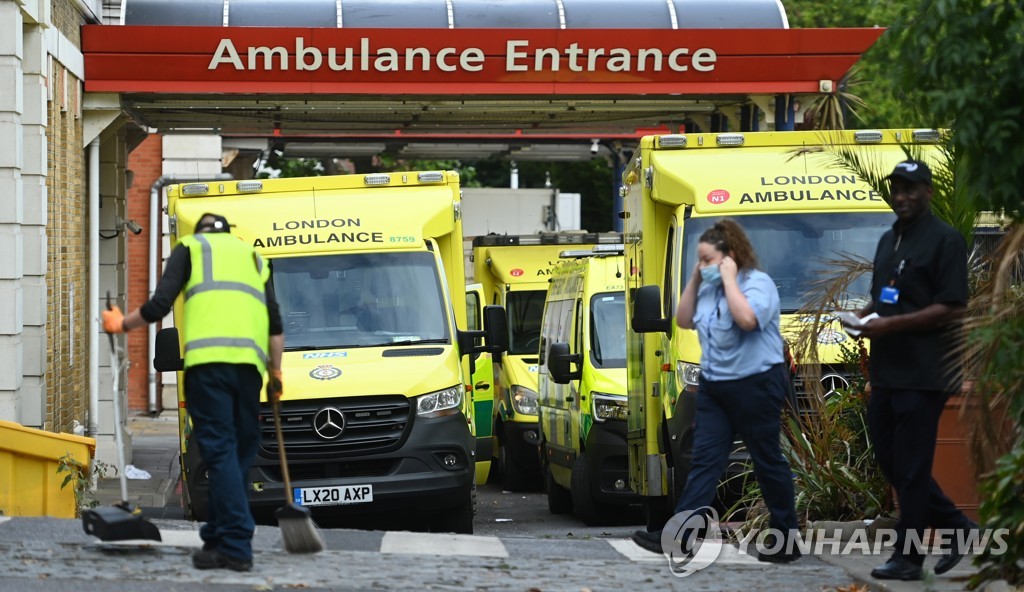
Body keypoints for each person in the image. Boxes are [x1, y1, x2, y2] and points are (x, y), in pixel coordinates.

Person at [102, 213, 284, 573]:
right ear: (229, 234)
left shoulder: (190, 248)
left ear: (200, 233)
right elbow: (275, 323)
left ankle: (236, 546)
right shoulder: (253, 257)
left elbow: (159, 305)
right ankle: (217, 537)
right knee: (238, 454)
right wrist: (276, 372)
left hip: (208, 369)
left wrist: (120, 323)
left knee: (219, 453)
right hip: (249, 370)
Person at [631, 219, 800, 563]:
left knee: (766, 460)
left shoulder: (758, 284)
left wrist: (728, 278)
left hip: (756, 383)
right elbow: (682, 319)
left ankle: (786, 535)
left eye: (708, 259)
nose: (703, 265)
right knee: (705, 461)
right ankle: (681, 537)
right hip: (715, 385)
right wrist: (695, 278)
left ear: (731, 256)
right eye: (700, 260)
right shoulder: (705, 287)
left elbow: (747, 320)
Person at [843, 160, 978, 581]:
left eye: (910, 189)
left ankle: (908, 558)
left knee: (913, 467)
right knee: (891, 461)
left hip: (924, 374)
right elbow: (886, 295)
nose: (902, 196)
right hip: (887, 372)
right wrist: (862, 317)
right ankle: (959, 528)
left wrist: (889, 325)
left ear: (928, 192)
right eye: (897, 188)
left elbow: (953, 306)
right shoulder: (890, 239)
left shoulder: (945, 241)